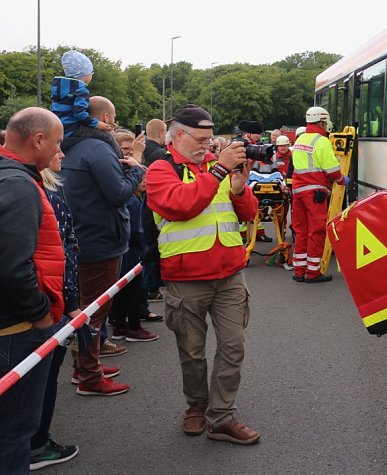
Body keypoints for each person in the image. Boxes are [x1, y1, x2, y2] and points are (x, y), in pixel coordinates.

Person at [145, 104, 261, 445]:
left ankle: (222, 416)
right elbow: (181, 206)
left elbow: (249, 213)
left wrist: (240, 189)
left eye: (211, 140)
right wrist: (221, 172)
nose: (208, 146)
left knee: (233, 347)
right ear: (178, 135)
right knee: (192, 351)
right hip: (186, 279)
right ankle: (197, 404)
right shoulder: (160, 170)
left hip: (229, 276)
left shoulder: (216, 168)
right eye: (201, 139)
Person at [60, 96, 146, 396]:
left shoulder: (69, 146)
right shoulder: (97, 148)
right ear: (107, 118)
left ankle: (83, 365)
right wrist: (136, 169)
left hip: (79, 238)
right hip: (101, 239)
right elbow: (118, 193)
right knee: (94, 312)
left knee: (83, 310)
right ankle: (90, 377)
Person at [0, 108, 65, 473]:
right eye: (56, 142)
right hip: (16, 329)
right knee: (14, 432)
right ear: (38, 140)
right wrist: (40, 313)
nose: (60, 150)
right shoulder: (18, 185)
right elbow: (12, 265)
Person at [30, 152, 81, 471]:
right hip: (48, 306)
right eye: (57, 144)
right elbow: (65, 259)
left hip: (32, 304)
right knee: (43, 377)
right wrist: (72, 306)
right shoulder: (48, 199)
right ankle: (37, 443)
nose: (63, 152)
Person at [107, 130, 159, 343]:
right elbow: (136, 231)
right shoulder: (130, 198)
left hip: (128, 248)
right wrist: (146, 249)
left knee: (126, 291)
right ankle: (129, 326)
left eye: (132, 150)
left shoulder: (134, 196)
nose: (128, 154)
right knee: (130, 290)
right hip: (130, 250)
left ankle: (121, 322)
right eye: (125, 149)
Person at [289, 106, 347, 283]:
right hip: (314, 192)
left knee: (301, 231)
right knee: (316, 231)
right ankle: (312, 273)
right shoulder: (321, 141)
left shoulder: (300, 140)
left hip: (298, 190)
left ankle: (299, 270)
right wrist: (343, 179)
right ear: (322, 122)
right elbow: (332, 170)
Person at [51, 50, 112, 138]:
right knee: (107, 137)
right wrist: (97, 124)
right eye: (91, 73)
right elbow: (79, 113)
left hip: (59, 128)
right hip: (72, 130)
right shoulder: (81, 90)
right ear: (86, 74)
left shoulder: (58, 88)